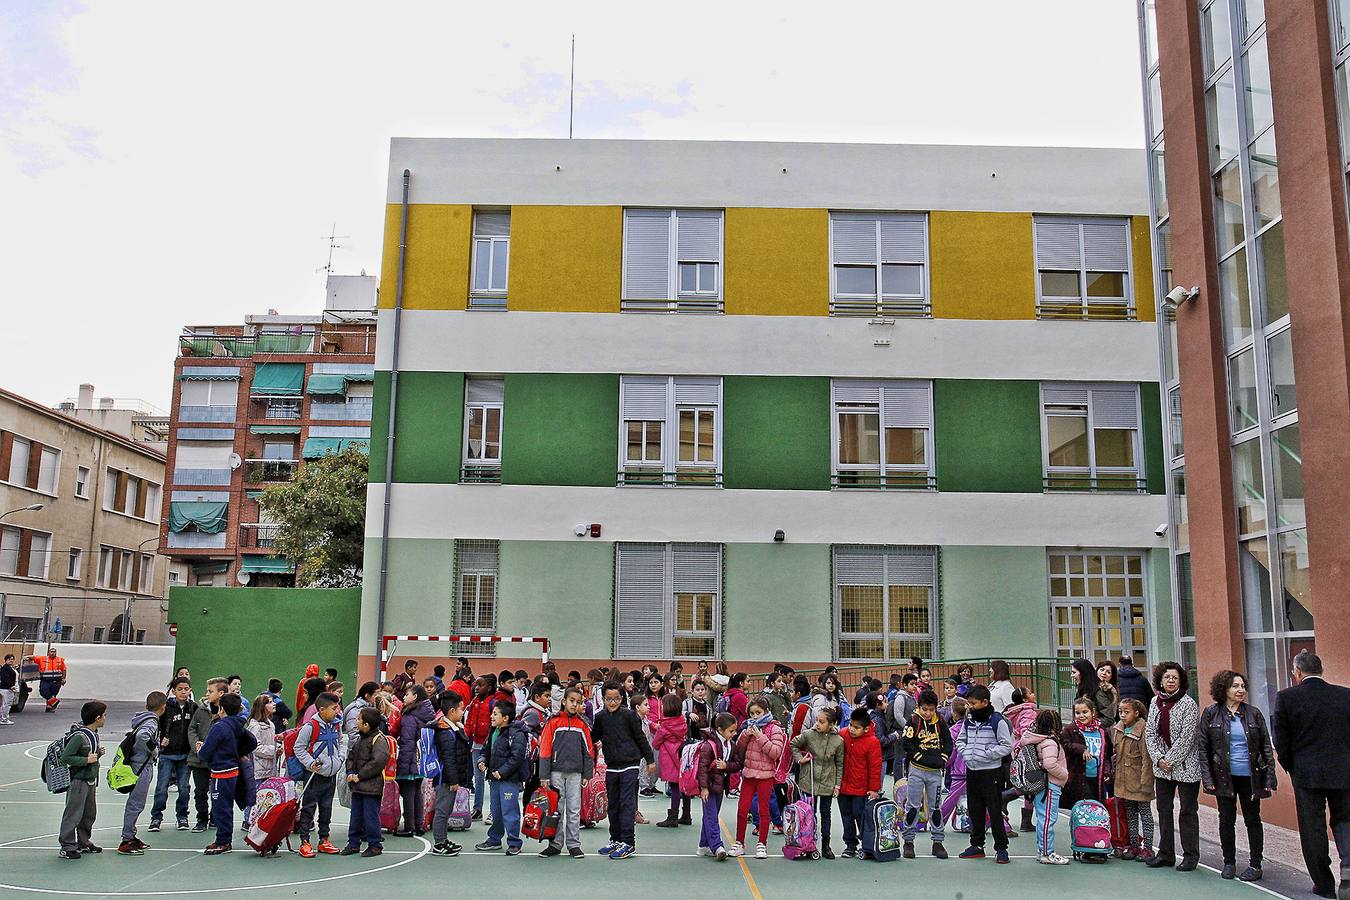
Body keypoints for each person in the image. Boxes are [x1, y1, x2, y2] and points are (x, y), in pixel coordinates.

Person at [1273, 650, 1350, 899]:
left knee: (1312, 828)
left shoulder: (1286, 698)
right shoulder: (1344, 695)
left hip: (1305, 773)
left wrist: (1291, 766)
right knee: (1345, 821)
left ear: (1297, 672)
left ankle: (1324, 884)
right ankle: (1348, 865)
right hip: (1343, 770)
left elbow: (1281, 741)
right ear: (1321, 670)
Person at [1197, 669, 1275, 881]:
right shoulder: (1211, 713)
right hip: (1223, 776)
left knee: (1252, 819)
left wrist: (1269, 778)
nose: (1241, 690)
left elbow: (1265, 747)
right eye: (1235, 686)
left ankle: (1255, 864)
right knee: (1226, 819)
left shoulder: (1254, 713)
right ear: (1224, 689)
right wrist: (1208, 778)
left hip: (1250, 777)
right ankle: (1229, 862)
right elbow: (1203, 748)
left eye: (1242, 686)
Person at [1145, 661, 1202, 872]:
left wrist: (1170, 759)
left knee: (1187, 811)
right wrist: (1159, 759)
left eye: (1174, 678)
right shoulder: (1154, 702)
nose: (1170, 681)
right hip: (1161, 767)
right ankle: (1166, 853)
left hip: (1186, 767)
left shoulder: (1189, 704)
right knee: (1164, 809)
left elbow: (1187, 737)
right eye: (1167, 677)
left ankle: (1190, 856)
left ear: (1181, 681)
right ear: (1160, 680)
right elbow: (1150, 733)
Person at [590, 682, 657, 860]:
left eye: (616, 699)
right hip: (612, 765)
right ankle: (616, 839)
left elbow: (641, 738)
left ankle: (628, 842)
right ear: (603, 699)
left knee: (627, 803)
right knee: (613, 804)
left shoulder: (629, 716)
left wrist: (650, 760)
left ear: (622, 698)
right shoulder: (601, 717)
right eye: (609, 699)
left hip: (630, 764)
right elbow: (592, 738)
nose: (613, 702)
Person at [956, 685, 1012, 864]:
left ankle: (1001, 848)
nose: (969, 706)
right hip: (972, 771)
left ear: (985, 702)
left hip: (991, 772)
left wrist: (986, 754)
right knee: (975, 809)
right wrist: (965, 753)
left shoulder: (998, 720)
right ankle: (977, 845)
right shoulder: (969, 719)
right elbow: (961, 739)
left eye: (973, 703)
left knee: (995, 810)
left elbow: (1006, 746)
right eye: (968, 703)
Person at [538, 686, 596, 858]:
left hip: (576, 774)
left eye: (578, 702)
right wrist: (544, 775)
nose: (574, 705)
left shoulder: (582, 725)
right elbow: (545, 749)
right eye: (571, 701)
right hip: (555, 773)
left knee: (574, 809)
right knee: (557, 809)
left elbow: (589, 751)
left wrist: (587, 774)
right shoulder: (553, 722)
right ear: (563, 701)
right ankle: (555, 844)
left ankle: (574, 845)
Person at [199, 693, 257, 855]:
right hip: (233, 770)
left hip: (221, 771)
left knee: (221, 808)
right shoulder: (238, 724)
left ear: (221, 708)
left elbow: (204, 753)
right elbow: (252, 741)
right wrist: (239, 753)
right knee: (225, 807)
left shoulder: (220, 727)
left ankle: (223, 841)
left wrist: (200, 749)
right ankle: (224, 839)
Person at [730, 698, 787, 859]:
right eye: (752, 713)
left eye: (758, 713)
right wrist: (746, 735)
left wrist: (760, 737)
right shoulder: (748, 727)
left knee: (763, 810)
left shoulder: (774, 728)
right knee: (742, 810)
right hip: (748, 774)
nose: (755, 716)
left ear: (766, 711)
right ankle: (739, 842)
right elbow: (739, 748)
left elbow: (776, 752)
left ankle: (762, 843)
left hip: (765, 776)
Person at [900, 688, 952, 859]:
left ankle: (938, 842)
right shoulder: (913, 721)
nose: (928, 713)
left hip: (935, 773)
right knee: (913, 806)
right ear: (918, 707)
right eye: (925, 709)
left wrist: (942, 758)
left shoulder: (941, 722)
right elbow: (906, 743)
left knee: (935, 807)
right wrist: (920, 757)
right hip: (917, 770)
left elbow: (948, 742)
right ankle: (908, 841)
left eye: (931, 709)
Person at [294, 691, 345, 858]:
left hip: (331, 775)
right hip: (314, 776)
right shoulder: (310, 727)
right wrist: (310, 763)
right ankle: (305, 842)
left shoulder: (336, 724)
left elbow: (341, 742)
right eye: (333, 708)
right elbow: (298, 748)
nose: (337, 711)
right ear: (322, 710)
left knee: (326, 808)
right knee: (308, 809)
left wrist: (340, 758)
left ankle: (324, 840)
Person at [474, 700, 528, 855]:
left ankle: (514, 842)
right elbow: (485, 751)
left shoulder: (516, 734)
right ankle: (494, 839)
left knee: (510, 812)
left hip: (508, 780)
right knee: (496, 811)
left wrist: (502, 772)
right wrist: (482, 761)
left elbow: (516, 757)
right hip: (494, 779)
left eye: (495, 714)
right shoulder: (494, 731)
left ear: (505, 718)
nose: (491, 716)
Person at [116, 692, 166, 856]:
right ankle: (127, 838)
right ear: (163, 707)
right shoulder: (151, 722)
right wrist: (154, 750)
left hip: (137, 764)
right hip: (141, 766)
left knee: (136, 802)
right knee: (136, 803)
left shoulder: (144, 719)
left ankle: (131, 834)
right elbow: (143, 736)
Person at [791, 707, 843, 858]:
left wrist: (837, 785)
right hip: (809, 781)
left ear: (831, 724)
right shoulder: (808, 734)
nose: (817, 724)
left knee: (826, 813)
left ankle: (826, 845)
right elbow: (793, 744)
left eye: (822, 722)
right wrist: (800, 759)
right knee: (809, 814)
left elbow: (840, 764)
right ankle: (808, 844)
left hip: (828, 782)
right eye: (817, 721)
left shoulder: (838, 741)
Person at [57, 700, 107, 859]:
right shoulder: (80, 736)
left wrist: (98, 754)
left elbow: (90, 755)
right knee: (73, 814)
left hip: (90, 779)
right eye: (104, 715)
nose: (105, 718)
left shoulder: (93, 735)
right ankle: (67, 845)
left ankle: (83, 841)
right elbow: (66, 758)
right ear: (97, 718)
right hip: (79, 781)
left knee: (89, 813)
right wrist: (86, 760)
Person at [1021, 709, 1069, 865]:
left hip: (1040, 785)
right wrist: (1064, 774)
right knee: (1048, 819)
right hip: (1050, 785)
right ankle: (1047, 852)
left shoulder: (1035, 739)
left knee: (1043, 818)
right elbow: (1049, 764)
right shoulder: (1050, 742)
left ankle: (1042, 850)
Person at [1111, 698, 1156, 862]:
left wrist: (1146, 783)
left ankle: (1149, 848)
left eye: (1126, 712)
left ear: (1136, 713)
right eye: (1120, 711)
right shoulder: (1118, 730)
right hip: (1123, 781)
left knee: (1145, 814)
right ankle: (1134, 846)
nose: (1122, 715)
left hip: (1139, 780)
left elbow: (1147, 758)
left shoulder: (1143, 730)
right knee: (1130, 814)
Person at [149, 677, 196, 832]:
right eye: (180, 689)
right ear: (174, 691)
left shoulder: (193, 707)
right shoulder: (166, 707)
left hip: (185, 755)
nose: (183, 692)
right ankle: (156, 817)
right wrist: (159, 740)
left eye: (186, 689)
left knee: (184, 788)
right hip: (167, 755)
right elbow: (155, 726)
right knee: (162, 787)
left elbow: (196, 728)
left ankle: (182, 816)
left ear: (190, 690)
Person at [345, 707, 391, 858]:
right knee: (356, 816)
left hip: (371, 786)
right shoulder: (361, 738)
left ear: (366, 724)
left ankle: (375, 844)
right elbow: (351, 757)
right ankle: (353, 843)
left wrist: (360, 775)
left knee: (371, 816)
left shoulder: (379, 739)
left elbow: (378, 761)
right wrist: (351, 772)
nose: (356, 721)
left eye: (358, 719)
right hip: (358, 786)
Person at [837, 707, 882, 859]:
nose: (851, 729)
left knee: (860, 816)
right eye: (850, 725)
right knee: (846, 816)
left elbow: (875, 767)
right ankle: (850, 845)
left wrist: (874, 789)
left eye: (856, 727)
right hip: (843, 786)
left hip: (861, 789)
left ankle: (867, 845)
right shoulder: (843, 734)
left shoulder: (872, 742)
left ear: (866, 728)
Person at [697, 713, 743, 861]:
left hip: (720, 785)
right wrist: (703, 787)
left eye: (735, 730)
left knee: (711, 815)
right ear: (720, 730)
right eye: (731, 731)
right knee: (711, 816)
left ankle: (703, 845)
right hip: (709, 786)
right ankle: (717, 846)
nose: (734, 733)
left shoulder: (731, 744)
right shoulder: (708, 745)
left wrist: (726, 766)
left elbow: (737, 764)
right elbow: (702, 767)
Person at [186, 678, 226, 833]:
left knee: (218, 792)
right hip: (199, 760)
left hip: (218, 760)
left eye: (211, 691)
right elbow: (192, 730)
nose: (207, 694)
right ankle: (201, 819)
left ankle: (215, 818)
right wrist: (197, 746)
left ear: (221, 693)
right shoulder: (201, 710)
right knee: (200, 791)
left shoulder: (229, 711)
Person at [396, 684, 436, 837]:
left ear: (415, 697)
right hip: (422, 759)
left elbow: (407, 741)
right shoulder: (426, 713)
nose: (404, 697)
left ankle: (409, 826)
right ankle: (419, 824)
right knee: (417, 792)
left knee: (408, 793)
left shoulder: (410, 716)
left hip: (410, 758)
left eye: (407, 694)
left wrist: (403, 764)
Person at [1061, 697, 1112, 806]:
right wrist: (1081, 749)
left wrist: (1107, 771)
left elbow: (1107, 754)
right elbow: (1065, 745)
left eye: (1085, 712)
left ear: (1092, 712)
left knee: (1097, 806)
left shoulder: (1102, 731)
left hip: (1098, 777)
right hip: (1079, 777)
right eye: (1078, 713)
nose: (1081, 716)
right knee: (1083, 807)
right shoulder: (1070, 729)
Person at [653, 692, 691, 828]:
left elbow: (655, 744)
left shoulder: (663, 727)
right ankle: (687, 814)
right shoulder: (683, 722)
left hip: (669, 758)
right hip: (681, 756)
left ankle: (672, 817)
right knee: (684, 786)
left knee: (674, 787)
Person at [465, 675, 497, 820]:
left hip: (491, 746)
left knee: (492, 779)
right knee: (478, 779)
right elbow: (469, 722)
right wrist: (465, 737)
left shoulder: (494, 703)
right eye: (476, 684)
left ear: (489, 688)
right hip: (476, 745)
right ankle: (477, 809)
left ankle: (493, 811)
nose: (476, 687)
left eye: (481, 685)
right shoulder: (474, 703)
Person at [37, 644, 68, 712]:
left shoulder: (60, 660)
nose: (53, 653)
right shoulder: (42, 659)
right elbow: (33, 658)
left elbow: (64, 670)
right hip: (45, 680)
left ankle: (49, 707)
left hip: (56, 681)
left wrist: (63, 679)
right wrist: (27, 657)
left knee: (53, 694)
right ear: (48, 653)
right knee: (43, 691)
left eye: (54, 652)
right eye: (51, 651)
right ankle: (54, 702)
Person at [1095, 661, 1120, 728]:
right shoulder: (1092, 687)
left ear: (1111, 676)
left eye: (1108, 672)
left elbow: (1109, 718)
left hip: (1101, 729)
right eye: (1102, 670)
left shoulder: (1109, 691)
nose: (1104, 673)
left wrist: (1091, 723)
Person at [0, 653, 16, 725]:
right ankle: (4, 719)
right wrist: (10, 686)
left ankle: (3, 718)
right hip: (6, 689)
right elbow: (5, 678)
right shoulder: (5, 668)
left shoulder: (9, 667)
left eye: (12, 659)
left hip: (7, 688)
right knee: (7, 704)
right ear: (6, 660)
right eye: (9, 659)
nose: (11, 661)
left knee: (5, 704)